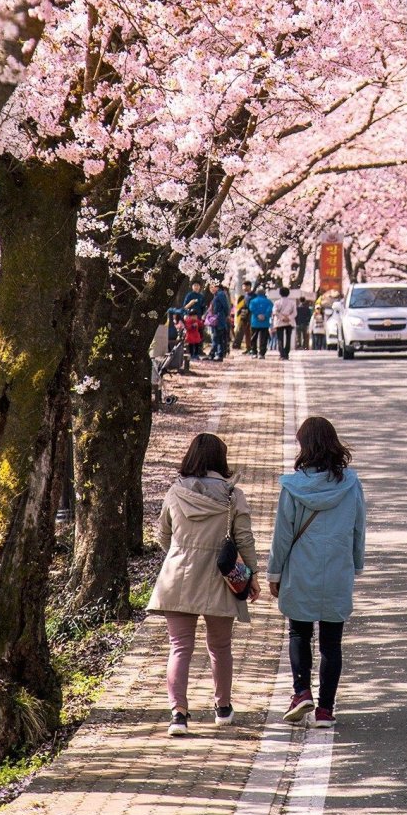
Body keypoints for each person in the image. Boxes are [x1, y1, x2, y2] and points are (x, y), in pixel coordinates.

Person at [147, 433, 260, 737]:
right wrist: (252, 575)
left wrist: (181, 552)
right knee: (220, 647)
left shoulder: (175, 493)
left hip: (178, 577)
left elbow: (162, 536)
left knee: (179, 648)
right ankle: (222, 708)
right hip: (220, 580)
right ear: (220, 460)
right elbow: (244, 539)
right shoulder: (232, 496)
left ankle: (178, 715)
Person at [267, 416, 365, 727]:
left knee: (299, 632)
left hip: (300, 570)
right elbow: (357, 529)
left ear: (305, 447)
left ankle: (301, 692)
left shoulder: (293, 487)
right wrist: (356, 564)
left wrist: (274, 573)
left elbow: (282, 535)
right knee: (331, 643)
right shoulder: (351, 484)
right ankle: (325, 709)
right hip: (337, 571)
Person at [248, 285, 273, 358]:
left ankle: (254, 352)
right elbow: (270, 309)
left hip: (255, 322)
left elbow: (251, 308)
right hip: (265, 322)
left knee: (253, 338)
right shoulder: (269, 302)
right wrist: (264, 315)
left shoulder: (253, 301)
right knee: (263, 338)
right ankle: (262, 353)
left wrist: (258, 314)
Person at [209, 282, 231, 362]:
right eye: (210, 287)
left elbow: (225, 306)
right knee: (218, 337)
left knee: (217, 337)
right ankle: (217, 354)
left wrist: (225, 315)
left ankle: (216, 354)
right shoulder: (217, 295)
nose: (211, 289)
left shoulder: (220, 294)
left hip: (219, 319)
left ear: (217, 287)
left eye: (212, 287)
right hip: (218, 318)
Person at [272, 287, 296, 360]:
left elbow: (275, 312)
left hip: (279, 322)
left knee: (280, 338)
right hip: (289, 322)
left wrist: (282, 318)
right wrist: (288, 318)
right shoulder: (292, 302)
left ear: (280, 293)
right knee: (288, 338)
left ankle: (282, 354)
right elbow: (295, 313)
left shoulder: (277, 302)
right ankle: (286, 354)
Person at [234, 280, 253, 352]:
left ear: (249, 286)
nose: (244, 287)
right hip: (244, 316)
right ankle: (248, 348)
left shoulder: (253, 295)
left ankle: (251, 347)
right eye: (243, 286)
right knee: (246, 332)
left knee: (251, 332)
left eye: (246, 286)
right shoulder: (245, 296)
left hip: (250, 316)